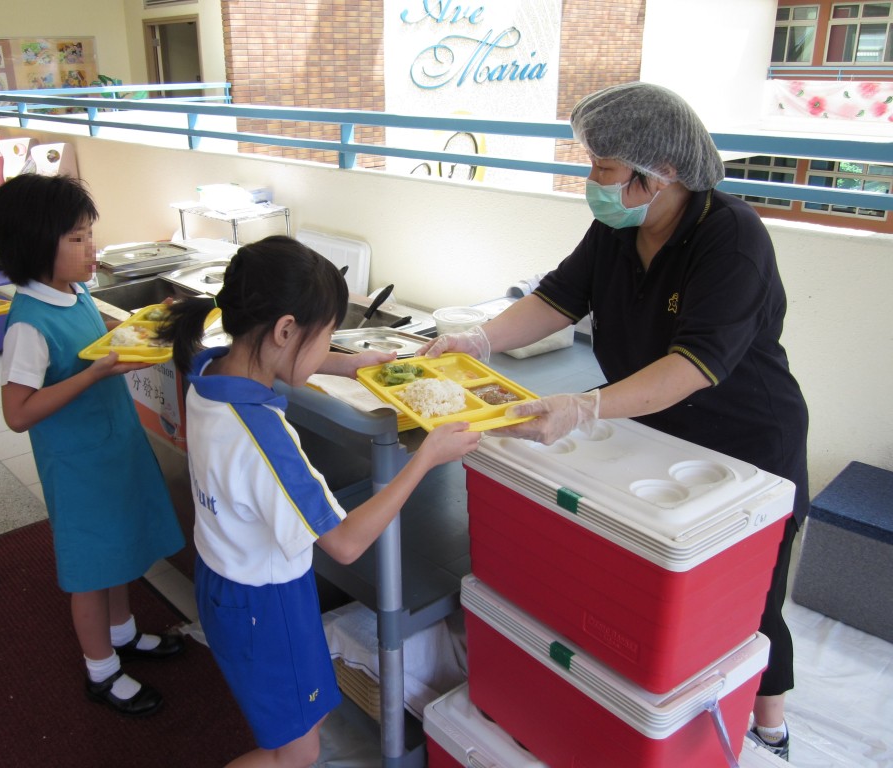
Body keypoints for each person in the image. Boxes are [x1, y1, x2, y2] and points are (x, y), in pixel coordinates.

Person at [424, 82, 808, 761]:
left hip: (744, 435)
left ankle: (766, 720)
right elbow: (559, 296)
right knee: (641, 568)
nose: (591, 179)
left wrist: (587, 405)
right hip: (649, 427)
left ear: (657, 176)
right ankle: (636, 691)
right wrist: (480, 340)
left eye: (602, 167)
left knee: (743, 594)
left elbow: (693, 365)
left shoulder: (731, 239)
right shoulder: (619, 224)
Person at [157, 235, 480, 768]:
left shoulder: (209, 371)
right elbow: (347, 543)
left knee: (296, 730)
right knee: (299, 749)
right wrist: (426, 457)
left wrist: (347, 364)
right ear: (286, 329)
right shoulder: (264, 439)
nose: (329, 344)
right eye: (326, 335)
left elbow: (279, 358)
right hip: (267, 606)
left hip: (223, 583)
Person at [0, 174, 186, 718]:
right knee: (90, 569)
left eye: (88, 234)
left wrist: (148, 328)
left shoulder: (73, 292)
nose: (90, 248)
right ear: (35, 245)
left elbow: (102, 336)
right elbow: (17, 413)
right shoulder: (28, 325)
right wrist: (93, 374)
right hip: (77, 466)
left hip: (112, 445)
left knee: (121, 548)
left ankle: (122, 634)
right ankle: (101, 671)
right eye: (76, 238)